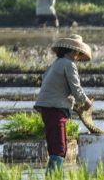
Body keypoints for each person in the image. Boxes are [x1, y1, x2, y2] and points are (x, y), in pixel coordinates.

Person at [34, 34, 93, 173]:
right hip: (55, 108)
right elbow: (76, 88)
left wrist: (72, 101)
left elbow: (57, 86)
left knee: (55, 146)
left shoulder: (56, 63)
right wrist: (86, 102)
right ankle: (53, 176)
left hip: (47, 107)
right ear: (74, 52)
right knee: (59, 148)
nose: (78, 56)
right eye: (78, 53)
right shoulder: (69, 64)